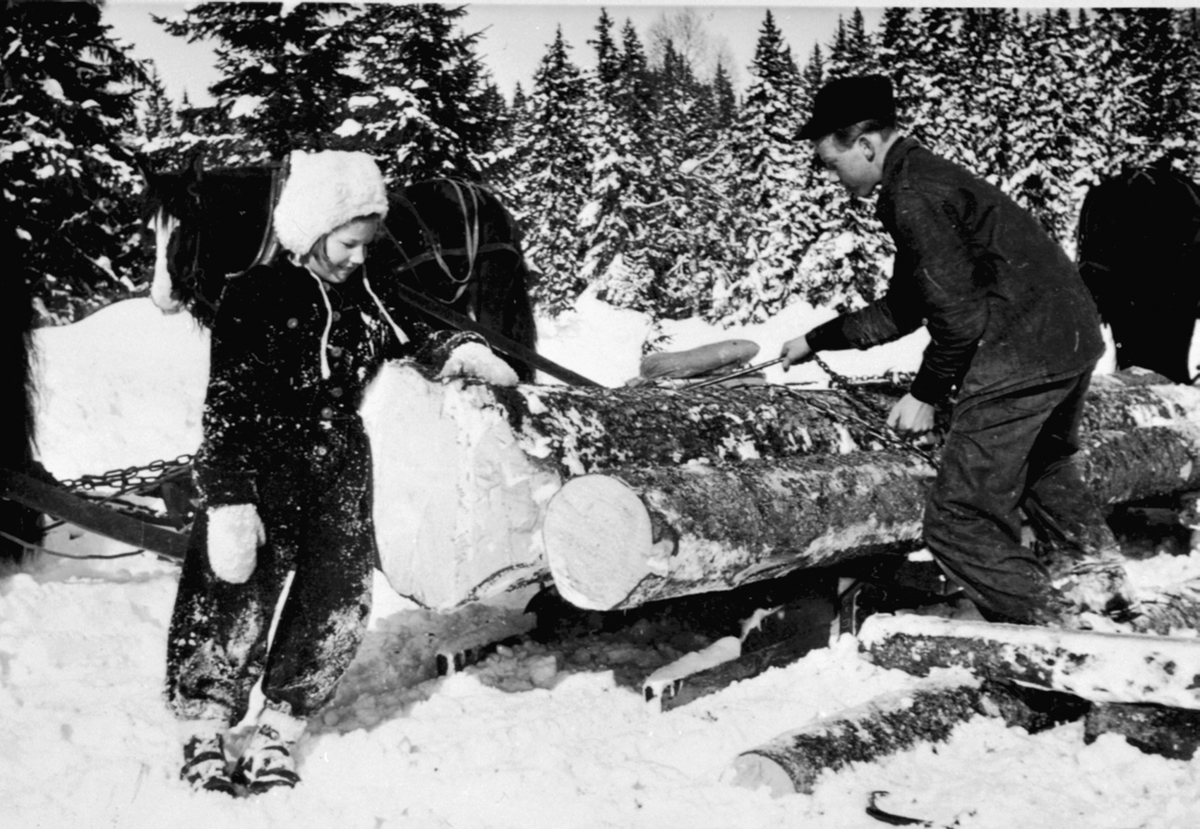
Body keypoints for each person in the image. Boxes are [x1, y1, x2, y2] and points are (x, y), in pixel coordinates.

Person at [165, 149, 516, 795]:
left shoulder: (368, 299)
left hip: (339, 469)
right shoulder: (253, 296)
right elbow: (226, 408)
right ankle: (204, 730)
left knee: (336, 601)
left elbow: (413, 334)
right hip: (263, 465)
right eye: (350, 242)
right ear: (312, 229)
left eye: (367, 243)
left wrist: (459, 349)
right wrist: (230, 502)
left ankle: (279, 730)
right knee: (231, 596)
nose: (359, 255)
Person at [779, 75, 1136, 627]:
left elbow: (959, 318)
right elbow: (909, 304)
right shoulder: (925, 177)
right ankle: (1105, 594)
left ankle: (1063, 634)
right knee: (1044, 466)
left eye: (832, 162)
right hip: (1069, 337)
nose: (833, 177)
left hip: (1020, 349)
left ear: (866, 144)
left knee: (957, 521)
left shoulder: (913, 194)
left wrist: (926, 392)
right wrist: (817, 339)